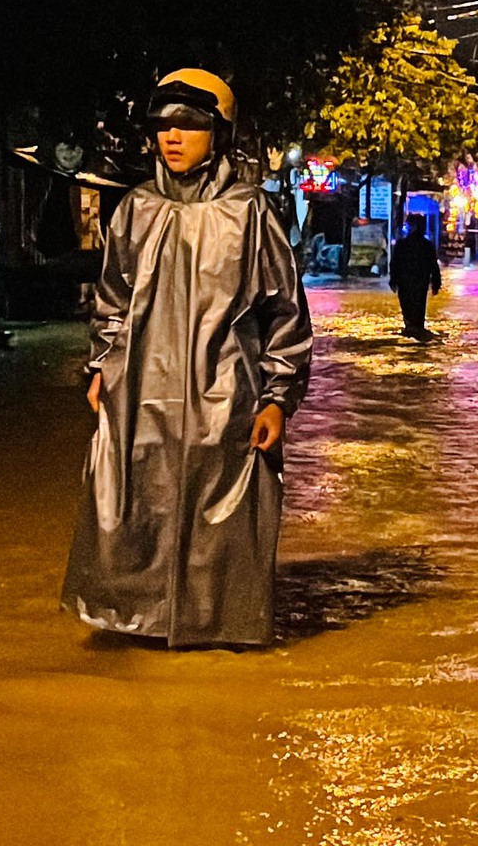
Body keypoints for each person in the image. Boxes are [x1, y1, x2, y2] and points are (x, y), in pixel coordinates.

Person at [62, 69, 312, 649]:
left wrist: (278, 399)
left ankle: (214, 631)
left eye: (189, 125)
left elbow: (284, 313)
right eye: (163, 126)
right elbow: (113, 300)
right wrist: (101, 365)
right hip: (139, 396)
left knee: (219, 519)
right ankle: (136, 624)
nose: (173, 137)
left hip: (225, 398)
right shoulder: (135, 210)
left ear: (218, 133)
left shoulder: (251, 215)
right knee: (132, 508)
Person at [389, 212, 442, 340]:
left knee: (408, 309)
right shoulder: (426, 246)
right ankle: (416, 330)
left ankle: (411, 329)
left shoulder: (402, 245)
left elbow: (394, 264)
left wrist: (393, 280)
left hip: (406, 283)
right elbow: (434, 267)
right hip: (420, 283)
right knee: (418, 309)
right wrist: (436, 283)